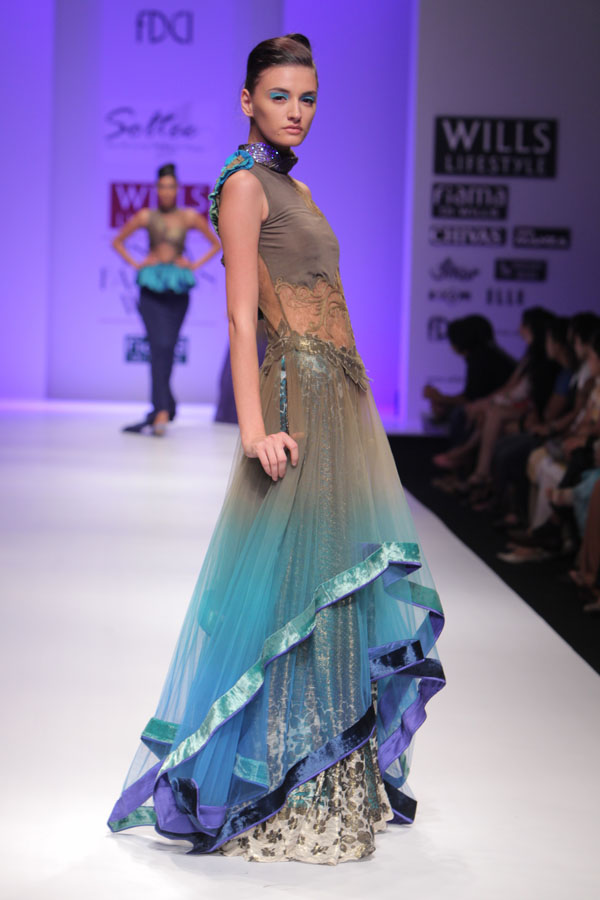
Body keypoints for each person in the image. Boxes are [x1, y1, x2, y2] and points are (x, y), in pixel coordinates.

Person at [107, 34, 445, 865]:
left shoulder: (295, 185)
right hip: (297, 392)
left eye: (309, 98)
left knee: (332, 575)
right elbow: (237, 316)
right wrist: (255, 429)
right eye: (281, 96)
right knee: (295, 584)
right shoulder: (243, 186)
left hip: (340, 397)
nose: (297, 112)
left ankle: (328, 776)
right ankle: (279, 787)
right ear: (248, 100)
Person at [112, 163, 221, 435]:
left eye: (171, 186)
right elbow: (118, 241)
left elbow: (216, 243)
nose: (166, 192)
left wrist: (193, 265)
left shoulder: (188, 217)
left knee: (168, 348)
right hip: (151, 287)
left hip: (178, 288)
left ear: (177, 189)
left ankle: (164, 405)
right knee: (158, 346)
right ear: (156, 189)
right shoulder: (146, 216)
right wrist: (137, 263)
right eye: (162, 187)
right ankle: (162, 408)